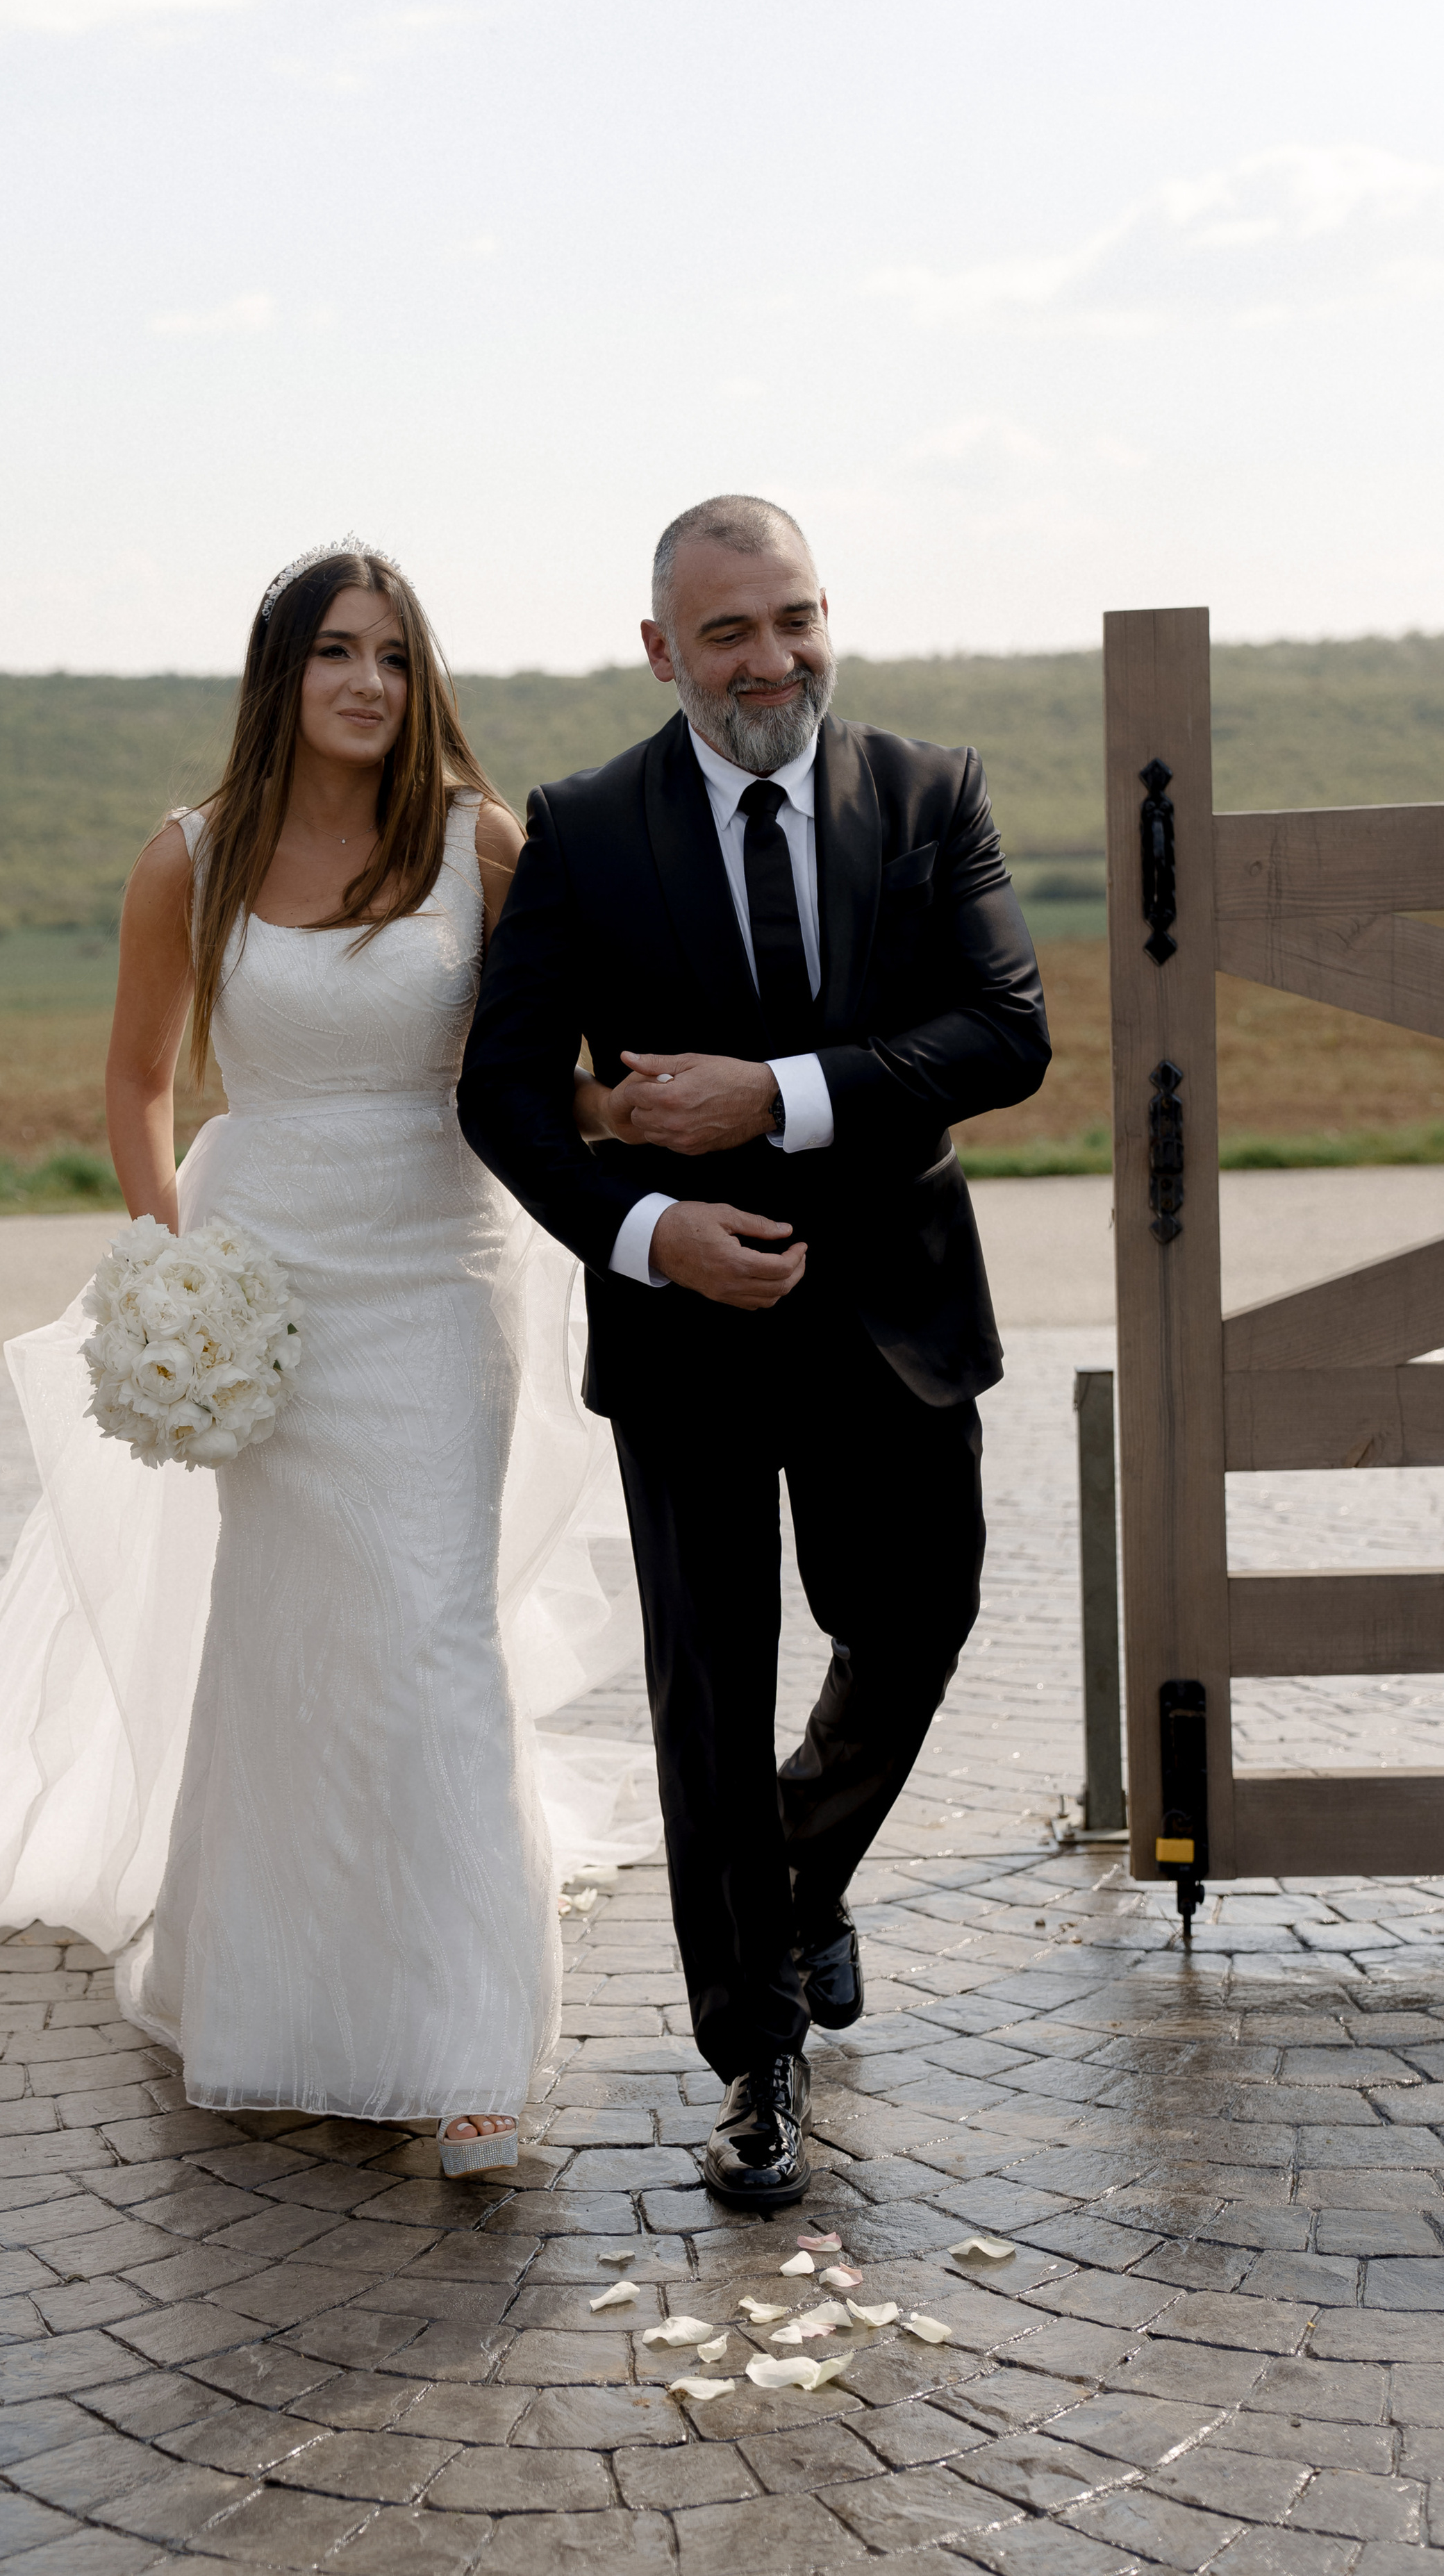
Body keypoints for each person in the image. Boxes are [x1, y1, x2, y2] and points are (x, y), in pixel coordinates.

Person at [0, 539, 659, 2181]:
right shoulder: (191, 857)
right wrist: (176, 1271)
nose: (367, 682)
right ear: (276, 674)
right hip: (266, 1283)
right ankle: (276, 2007)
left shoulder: (474, 844)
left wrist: (626, 1125)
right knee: (289, 1645)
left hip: (439, 1278)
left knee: (430, 1638)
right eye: (335, 652)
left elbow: (543, 1070)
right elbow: (140, 1083)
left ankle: (469, 2049)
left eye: (392, 654)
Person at [458, 495, 1052, 2208]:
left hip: (896, 1315)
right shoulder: (581, 828)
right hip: (683, 1338)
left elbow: (1001, 1032)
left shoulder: (930, 792)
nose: (771, 659)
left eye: (793, 617)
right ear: (662, 650)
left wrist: (768, 1098)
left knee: (917, 1615)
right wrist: (651, 1233)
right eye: (728, 632)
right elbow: (503, 1094)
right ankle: (755, 2058)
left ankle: (795, 1879)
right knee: (708, 1699)